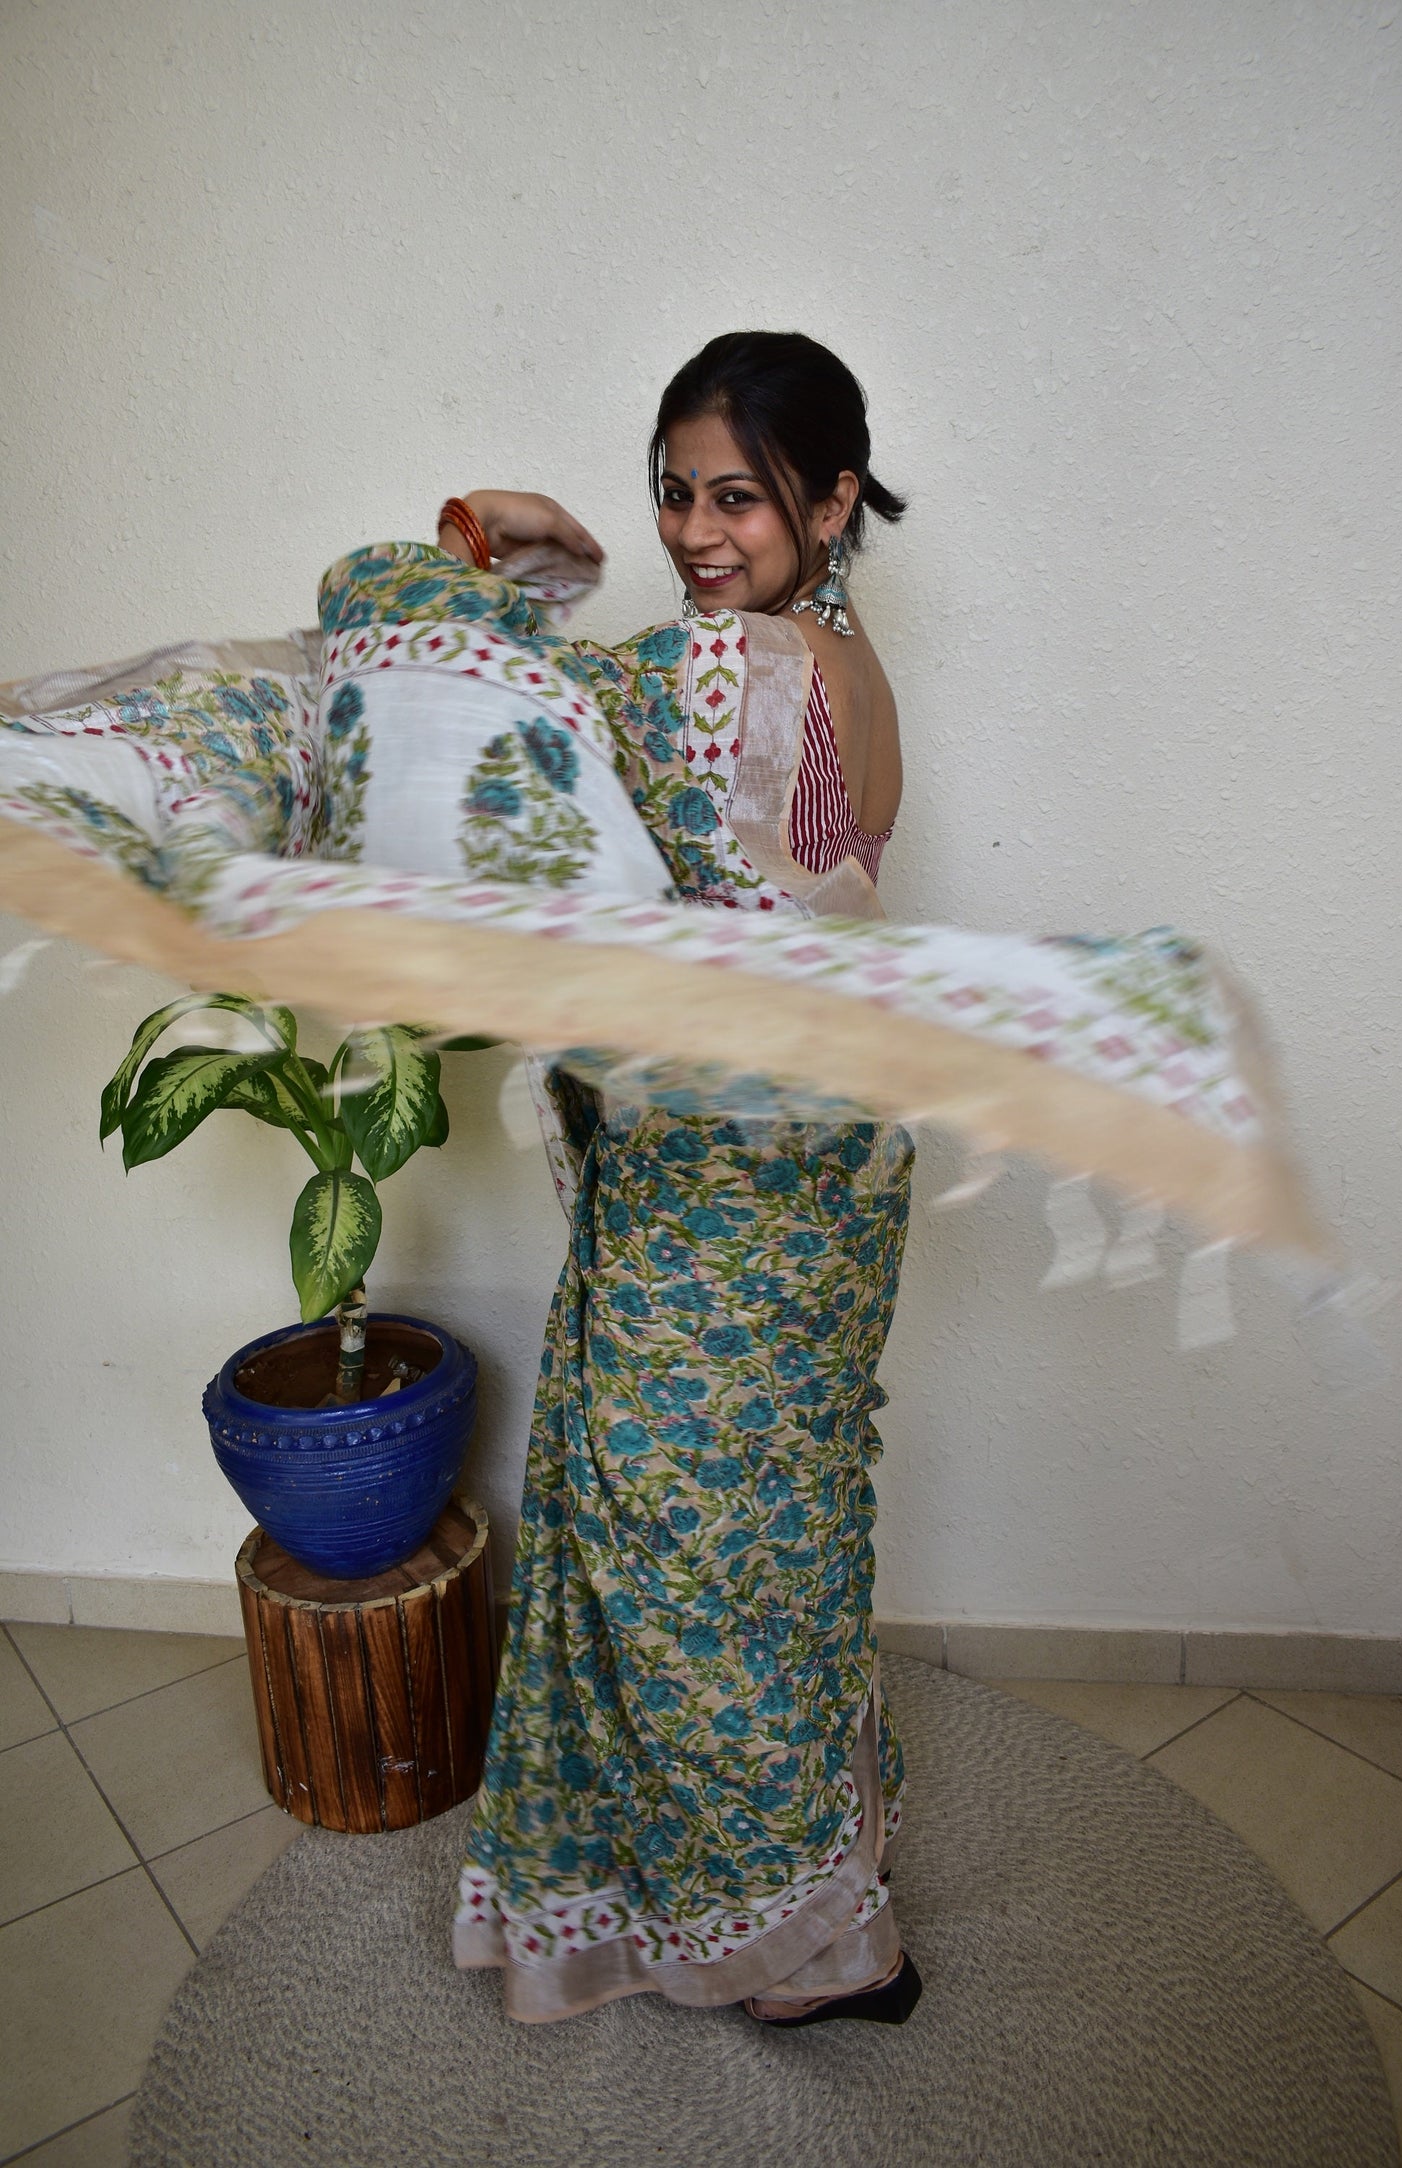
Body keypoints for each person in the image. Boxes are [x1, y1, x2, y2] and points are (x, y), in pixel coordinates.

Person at [442, 332, 923, 2029]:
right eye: (672, 493)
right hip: (840, 1156)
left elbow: (483, 711)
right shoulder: (845, 661)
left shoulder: (715, 663)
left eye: (738, 493)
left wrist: (469, 550)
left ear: (833, 495)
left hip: (729, 1183)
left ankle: (800, 1954)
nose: (695, 529)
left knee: (685, 1549)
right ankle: (828, 1877)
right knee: (781, 1533)